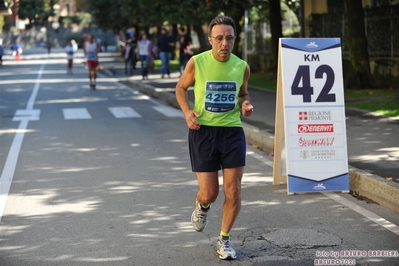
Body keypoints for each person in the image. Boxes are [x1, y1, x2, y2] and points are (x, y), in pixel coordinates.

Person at [175, 15, 254, 260]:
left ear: (234, 39)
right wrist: (188, 112)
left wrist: (245, 105)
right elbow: (180, 88)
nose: (224, 43)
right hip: (203, 132)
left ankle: (225, 239)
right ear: (210, 40)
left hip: (232, 132)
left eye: (229, 38)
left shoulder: (242, 66)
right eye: (219, 38)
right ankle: (203, 206)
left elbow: (243, 94)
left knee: (234, 190)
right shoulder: (196, 63)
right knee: (210, 192)